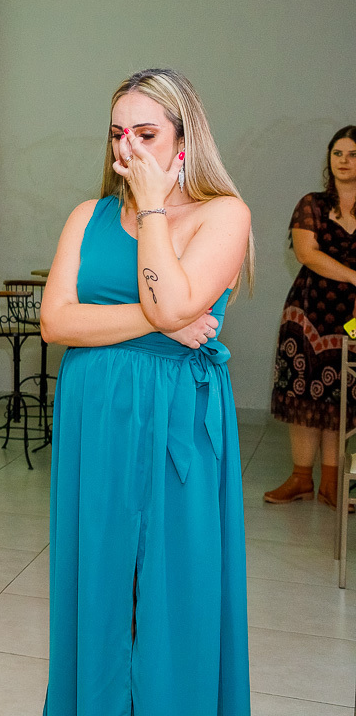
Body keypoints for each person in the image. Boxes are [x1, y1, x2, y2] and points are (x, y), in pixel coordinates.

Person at [39, 69, 252, 713]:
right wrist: (161, 320)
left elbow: (171, 300)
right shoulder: (88, 216)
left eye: (146, 133)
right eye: (117, 133)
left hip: (178, 417)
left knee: (175, 582)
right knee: (100, 578)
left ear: (185, 140)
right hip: (96, 413)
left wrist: (154, 206)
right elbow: (56, 322)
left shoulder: (225, 214)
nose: (128, 147)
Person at [266, 125, 356, 510]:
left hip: (351, 319)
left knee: (340, 400)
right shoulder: (312, 203)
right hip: (307, 314)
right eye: (337, 153)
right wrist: (354, 276)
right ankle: (301, 479)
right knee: (303, 396)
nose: (343, 161)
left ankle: (331, 485)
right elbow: (306, 253)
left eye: (352, 154)